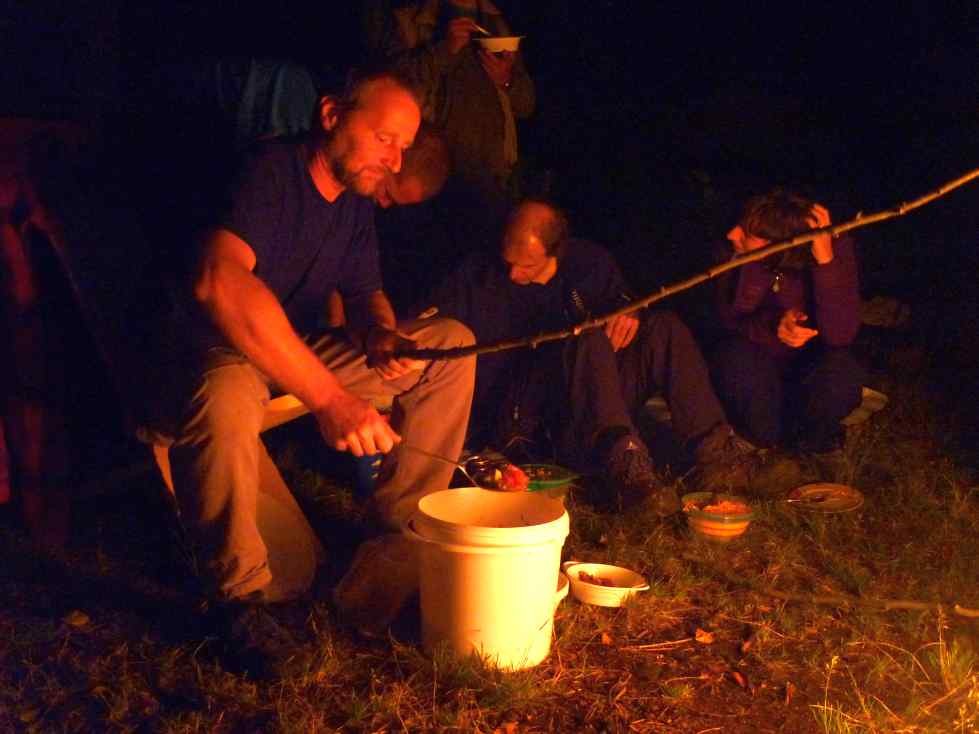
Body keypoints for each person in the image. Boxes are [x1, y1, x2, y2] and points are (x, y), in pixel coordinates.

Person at [143, 71, 476, 670]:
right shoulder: (267, 174)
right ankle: (237, 598)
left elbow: (365, 292)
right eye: (383, 139)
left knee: (448, 345)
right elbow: (218, 281)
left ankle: (400, 534)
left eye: (403, 145)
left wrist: (381, 335)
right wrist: (330, 400)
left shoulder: (352, 207)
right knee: (225, 391)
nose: (395, 159)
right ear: (330, 116)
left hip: (293, 351)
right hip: (215, 352)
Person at [421, 199, 760, 515]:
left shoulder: (589, 265)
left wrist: (630, 313)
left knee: (663, 328)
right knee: (587, 337)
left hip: (596, 400)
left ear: (556, 251)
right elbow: (433, 326)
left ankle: (718, 455)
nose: (514, 275)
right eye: (509, 262)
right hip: (532, 416)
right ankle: (625, 467)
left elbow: (624, 305)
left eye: (526, 265)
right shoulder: (478, 276)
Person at [709, 188, 865, 460]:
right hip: (760, 374)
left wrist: (826, 263)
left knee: (841, 373)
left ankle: (810, 440)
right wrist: (773, 326)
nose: (732, 234)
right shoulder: (732, 254)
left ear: (780, 241)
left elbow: (840, 335)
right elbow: (726, 324)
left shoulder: (835, 250)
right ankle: (764, 441)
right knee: (733, 358)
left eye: (747, 232)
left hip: (808, 372)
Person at [364, 0, 535, 245]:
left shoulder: (493, 21)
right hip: (429, 177)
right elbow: (394, 88)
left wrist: (507, 80)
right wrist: (445, 50)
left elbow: (526, 105)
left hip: (493, 178)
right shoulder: (414, 18)